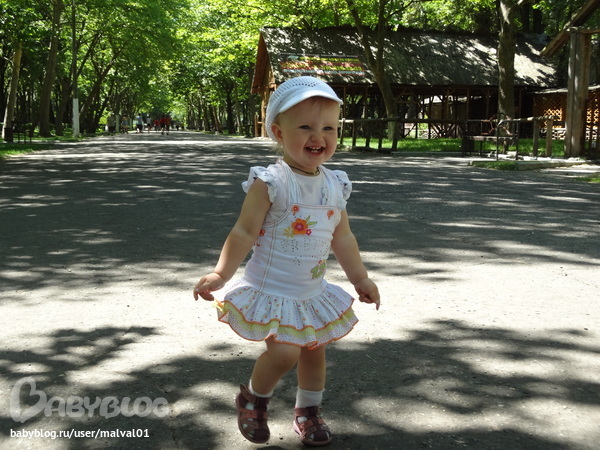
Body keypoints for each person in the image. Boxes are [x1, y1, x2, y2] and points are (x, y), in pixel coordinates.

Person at [193, 76, 380, 447]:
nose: (318, 136)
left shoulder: (335, 184)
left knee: (314, 352)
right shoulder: (271, 182)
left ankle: (308, 411)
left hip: (311, 292)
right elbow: (244, 232)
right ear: (279, 132)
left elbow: (342, 237)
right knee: (283, 354)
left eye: (329, 128)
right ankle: (253, 399)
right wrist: (220, 273)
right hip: (273, 290)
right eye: (306, 127)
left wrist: (360, 278)